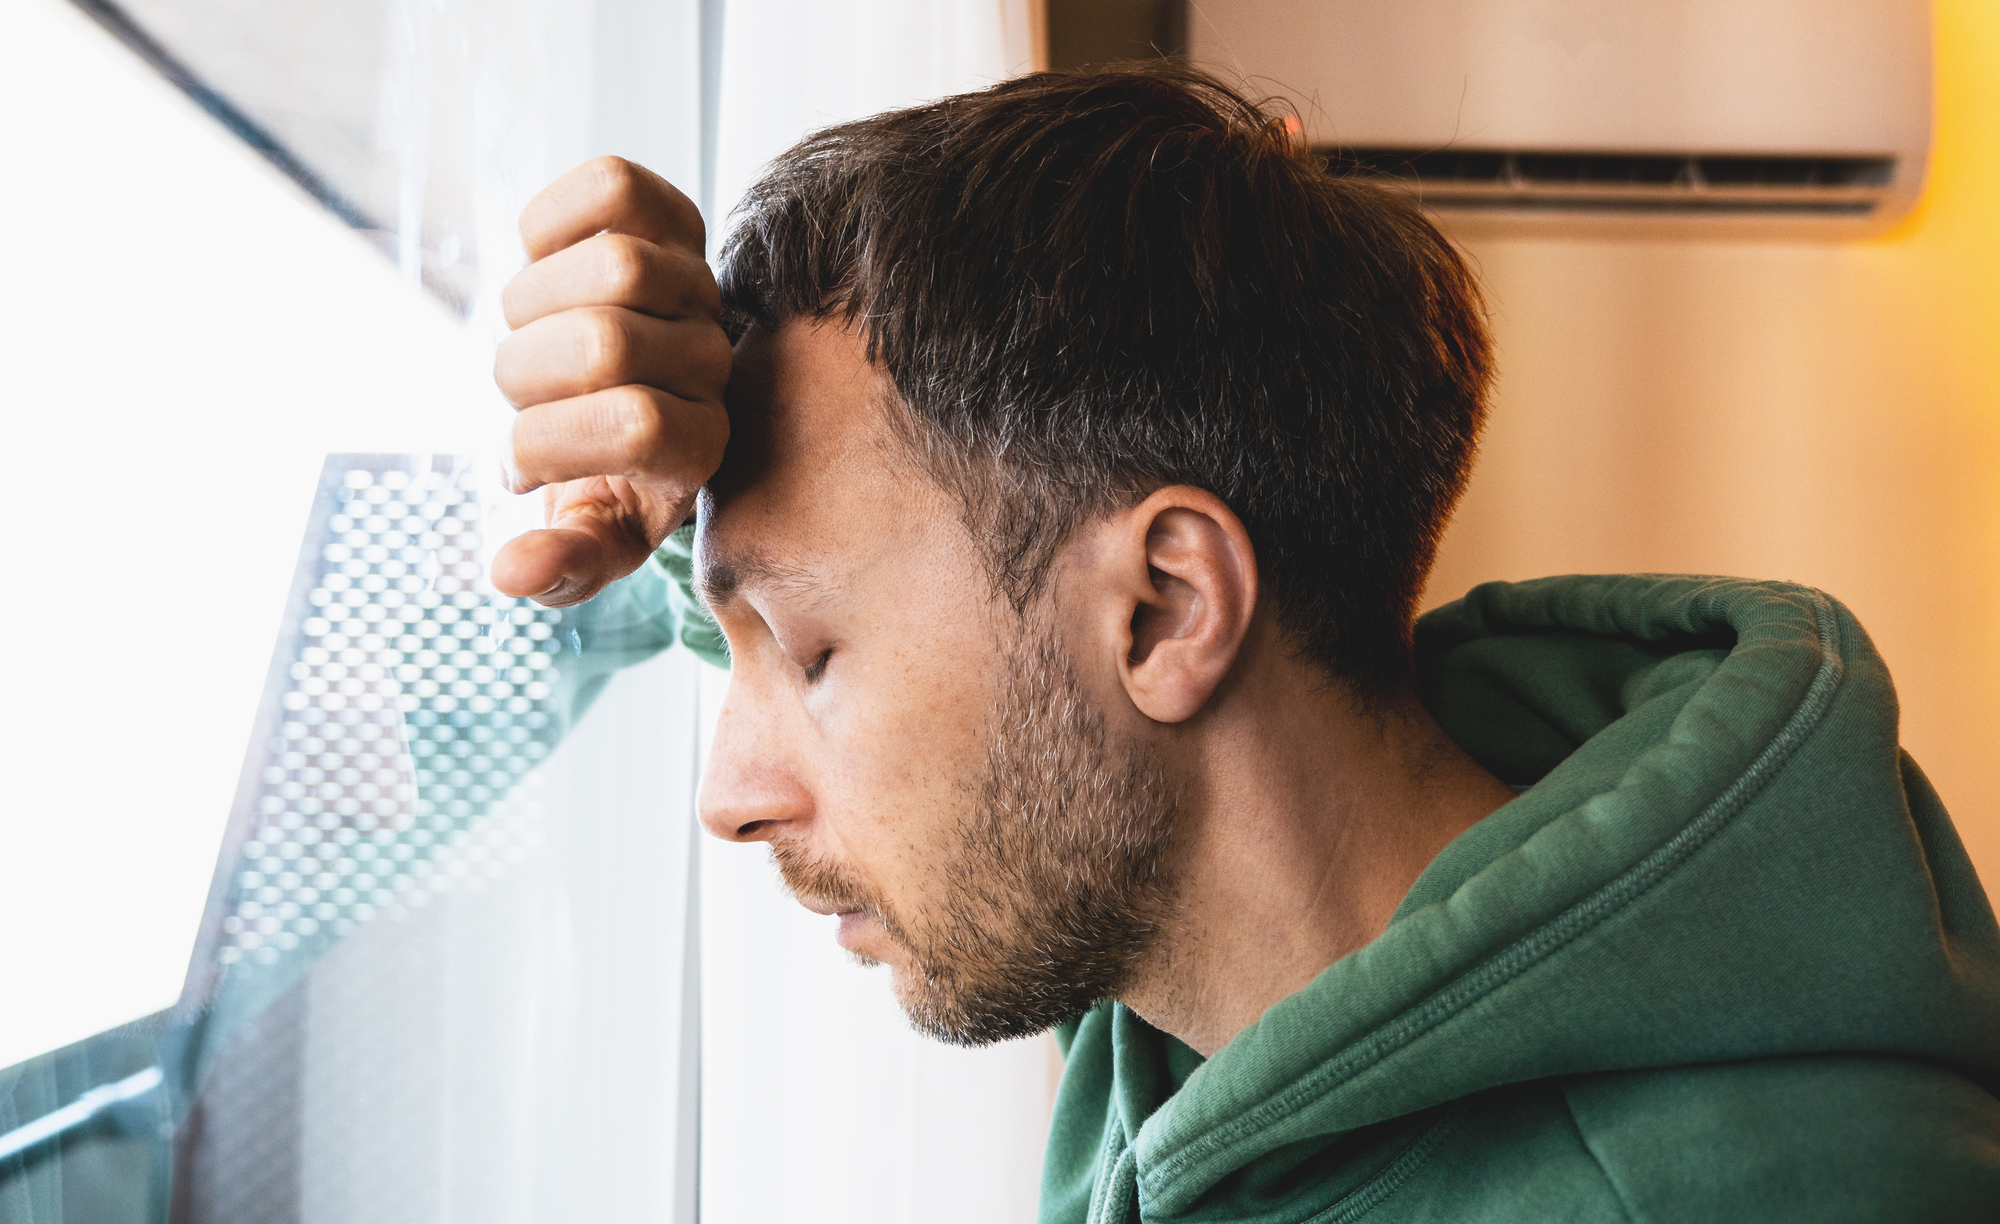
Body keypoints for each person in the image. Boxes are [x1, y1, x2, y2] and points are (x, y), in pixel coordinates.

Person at [490, 64, 2000, 1222]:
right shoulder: (1207, 916)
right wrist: (636, 476)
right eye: (746, 646)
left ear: (1165, 611)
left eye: (812, 658)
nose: (734, 792)